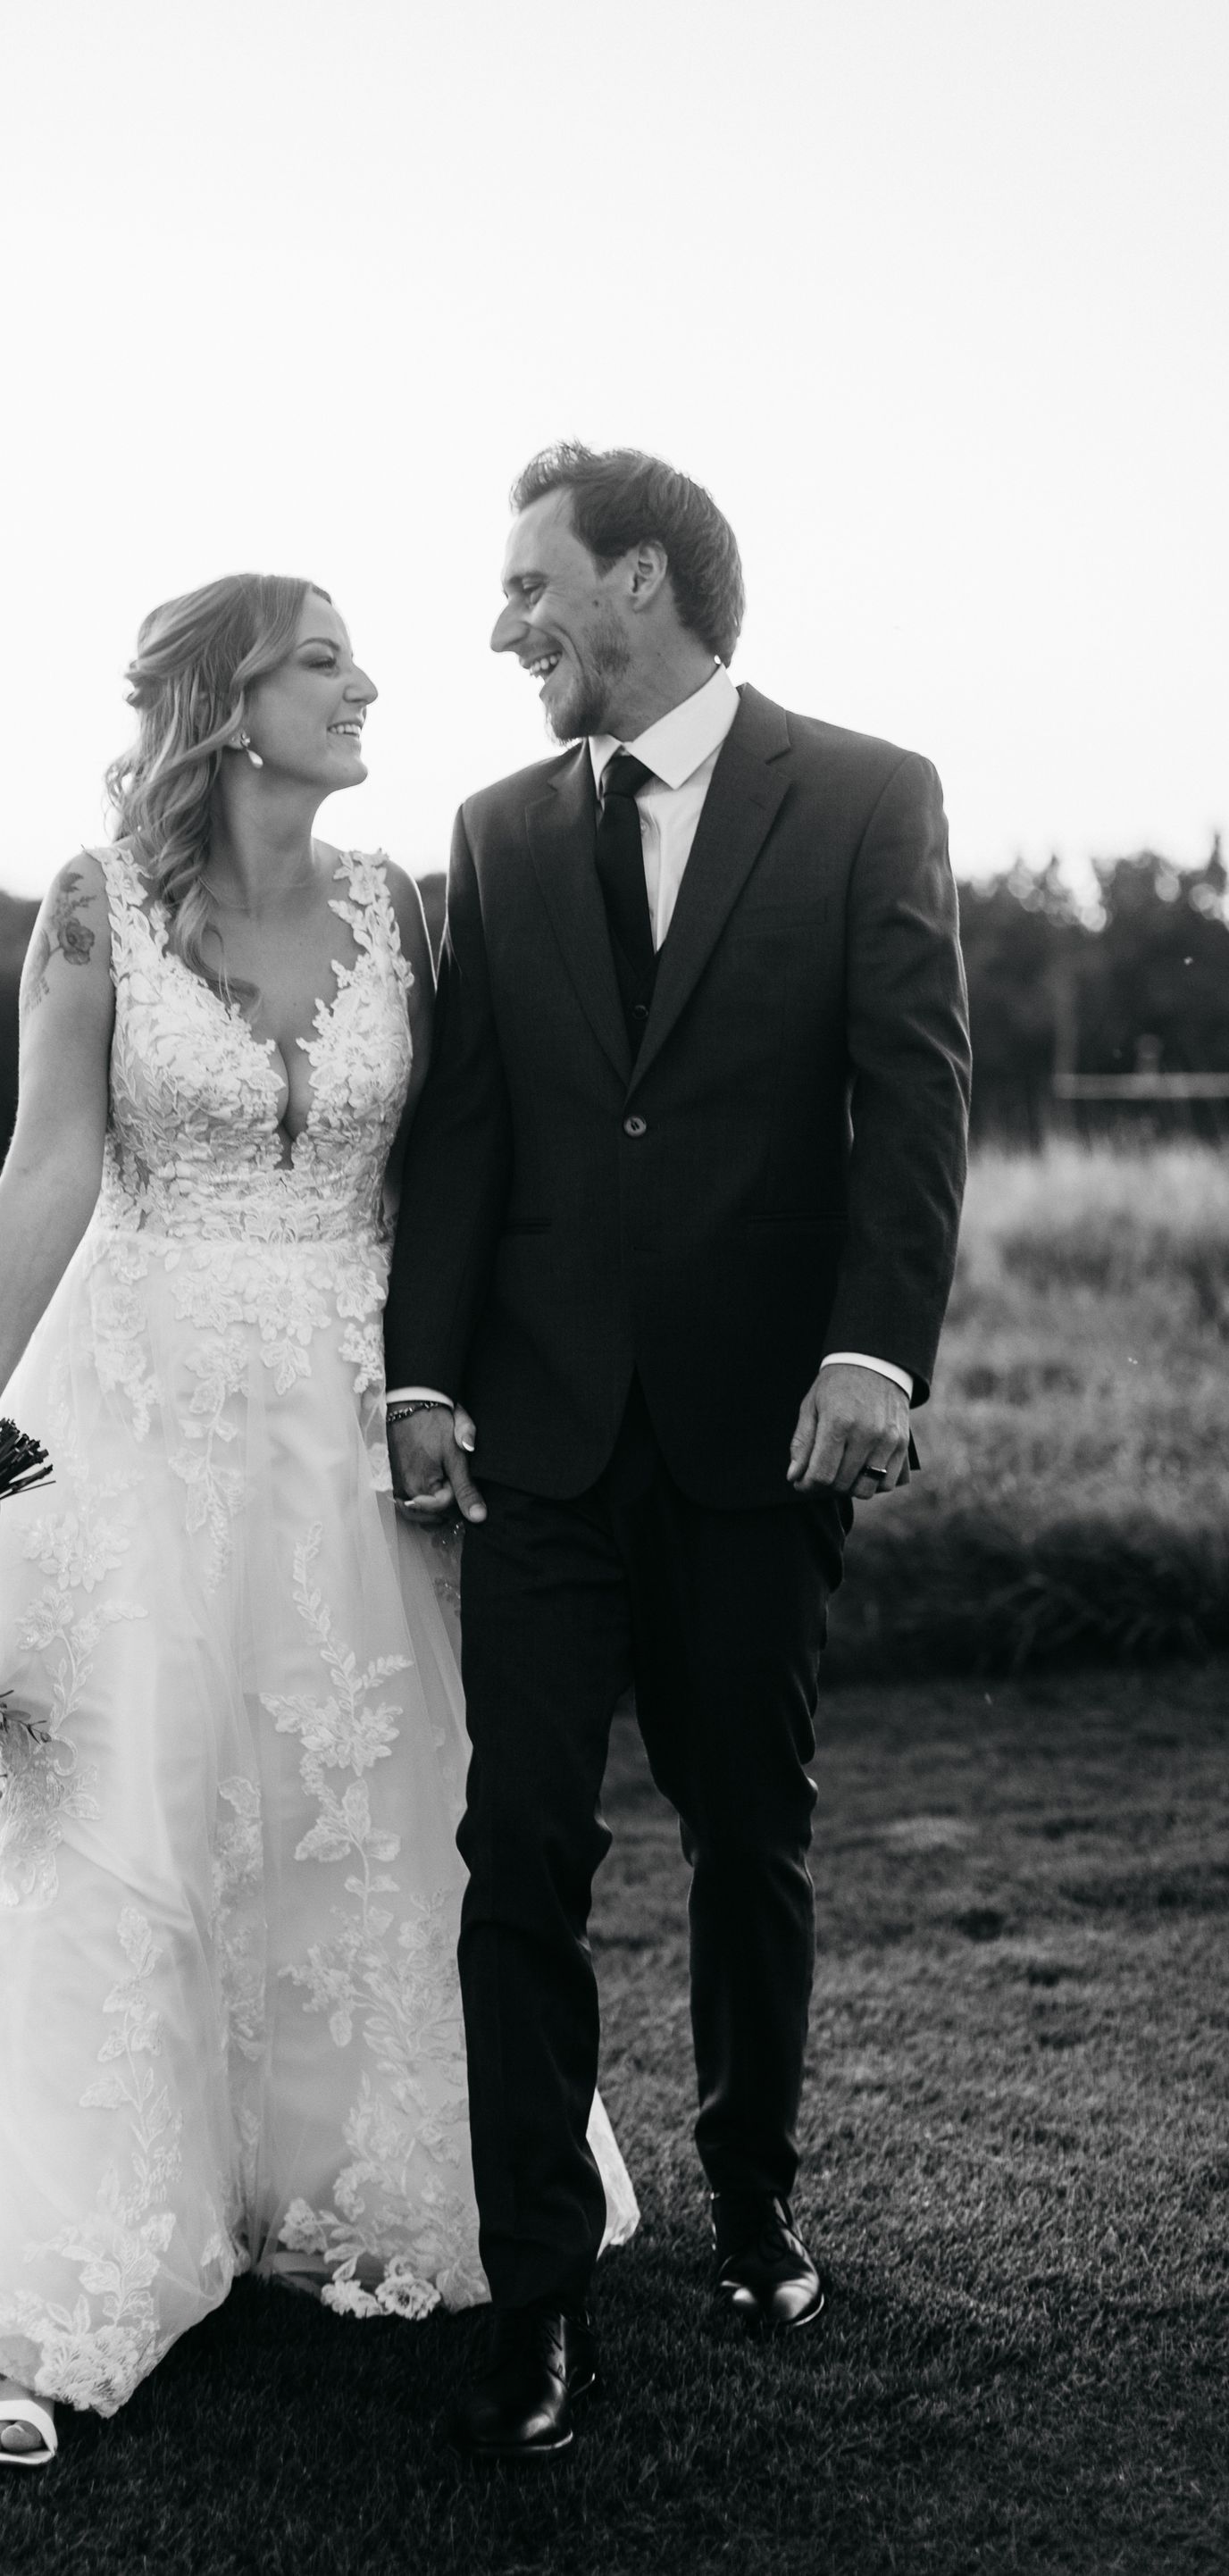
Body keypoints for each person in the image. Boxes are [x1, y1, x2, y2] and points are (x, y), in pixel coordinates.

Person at [0, 572, 638, 2465]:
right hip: (137, 1415)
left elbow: (468, 1166)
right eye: (327, 659)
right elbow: (48, 1168)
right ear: (229, 703)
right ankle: (62, 2291)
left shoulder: (403, 908)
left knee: (365, 1806)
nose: (369, 683)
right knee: (122, 1823)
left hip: (349, 1428)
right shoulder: (92, 914)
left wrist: (461, 1383)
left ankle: (357, 2191)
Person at [385, 444, 972, 2462]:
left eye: (533, 581)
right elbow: (468, 1124)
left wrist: (877, 1350)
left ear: (642, 575)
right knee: (518, 1851)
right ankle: (538, 2287)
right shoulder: (495, 829)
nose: (505, 624)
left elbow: (914, 1096)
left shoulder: (870, 794)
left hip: (761, 1430)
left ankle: (753, 2201)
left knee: (753, 1834)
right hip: (541, 1435)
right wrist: (421, 1379)